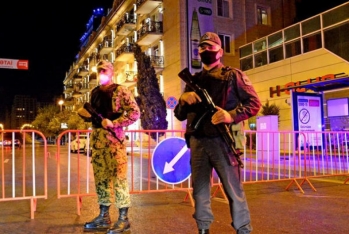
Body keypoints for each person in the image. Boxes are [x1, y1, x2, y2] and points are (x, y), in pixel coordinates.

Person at [174, 32, 261, 234]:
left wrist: (230, 116)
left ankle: (243, 230)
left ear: (220, 51)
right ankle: (203, 229)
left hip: (222, 141)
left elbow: (254, 103)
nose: (205, 50)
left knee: (234, 190)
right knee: (200, 191)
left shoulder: (233, 75)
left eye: (210, 47)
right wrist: (183, 99)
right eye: (202, 47)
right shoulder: (193, 80)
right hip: (198, 142)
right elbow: (179, 115)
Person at [79, 60, 140, 233]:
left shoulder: (120, 90)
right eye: (99, 70)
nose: (101, 73)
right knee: (101, 179)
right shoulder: (94, 92)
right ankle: (104, 216)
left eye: (104, 70)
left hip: (114, 142)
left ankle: (123, 218)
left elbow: (135, 113)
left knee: (119, 179)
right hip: (98, 142)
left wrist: (115, 123)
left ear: (112, 71)